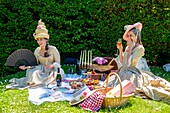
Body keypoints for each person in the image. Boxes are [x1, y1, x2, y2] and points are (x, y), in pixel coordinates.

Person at [105, 22, 170, 103]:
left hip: (132, 72)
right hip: (123, 70)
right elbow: (123, 62)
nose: (129, 38)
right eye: (128, 36)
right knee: (113, 82)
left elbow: (130, 64)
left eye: (131, 35)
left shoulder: (140, 48)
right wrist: (121, 50)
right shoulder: (128, 46)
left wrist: (130, 49)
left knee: (128, 81)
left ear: (137, 36)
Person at [7, 19, 65, 88]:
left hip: (52, 70)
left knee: (59, 73)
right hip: (41, 71)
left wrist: (51, 66)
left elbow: (58, 63)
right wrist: (26, 67)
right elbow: (34, 64)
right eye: (38, 40)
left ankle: (44, 81)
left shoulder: (53, 49)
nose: (39, 42)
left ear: (46, 39)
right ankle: (35, 82)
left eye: (41, 39)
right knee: (32, 72)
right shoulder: (37, 50)